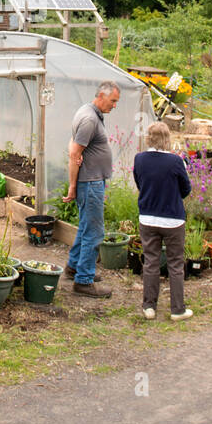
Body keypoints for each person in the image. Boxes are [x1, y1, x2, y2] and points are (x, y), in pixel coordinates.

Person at [63, 81, 121, 298]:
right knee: (95, 232)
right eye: (113, 101)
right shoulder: (89, 118)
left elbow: (73, 144)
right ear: (101, 96)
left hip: (92, 181)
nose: (114, 106)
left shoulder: (88, 112)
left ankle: (74, 267)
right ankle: (84, 281)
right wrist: (72, 186)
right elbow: (74, 153)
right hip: (89, 182)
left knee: (86, 227)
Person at [133, 121, 193, 321]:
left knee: (150, 261)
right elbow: (186, 189)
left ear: (148, 138)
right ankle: (177, 309)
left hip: (148, 218)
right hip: (173, 220)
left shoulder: (139, 159)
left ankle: (149, 306)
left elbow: (140, 184)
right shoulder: (175, 162)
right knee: (175, 264)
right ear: (168, 139)